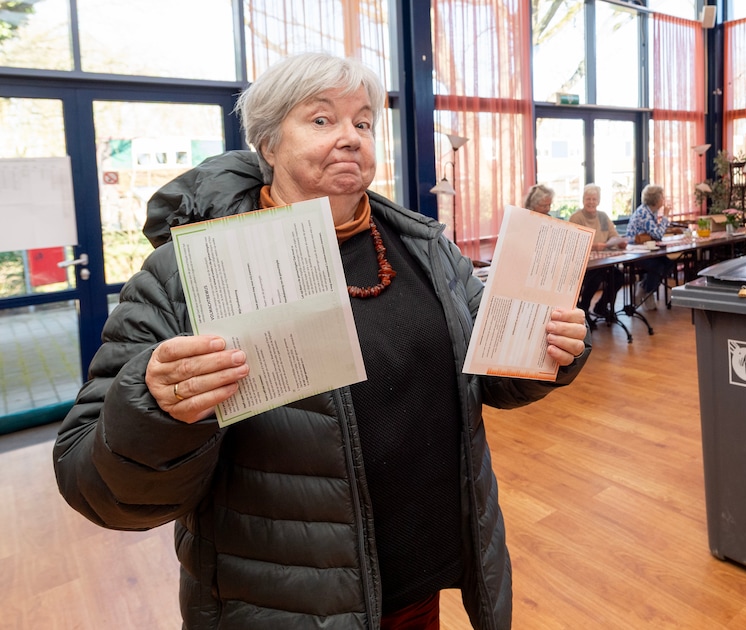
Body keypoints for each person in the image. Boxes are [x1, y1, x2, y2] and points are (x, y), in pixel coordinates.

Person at [52, 52, 590, 629]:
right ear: (268, 143)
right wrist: (155, 407)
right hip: (286, 603)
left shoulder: (424, 248)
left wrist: (548, 349)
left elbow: (487, 378)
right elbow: (91, 477)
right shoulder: (184, 272)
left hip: (418, 577)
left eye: (362, 122)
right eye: (320, 120)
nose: (350, 138)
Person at [570, 183, 625, 317]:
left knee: (618, 277)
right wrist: (593, 246)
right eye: (588, 199)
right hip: (582, 264)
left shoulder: (603, 216)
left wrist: (618, 242)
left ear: (598, 201)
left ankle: (601, 306)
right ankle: (584, 309)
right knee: (596, 276)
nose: (591, 202)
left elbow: (613, 235)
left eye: (594, 199)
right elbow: (573, 242)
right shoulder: (576, 218)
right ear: (583, 200)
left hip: (602, 261)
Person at [624, 184, 677, 310]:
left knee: (669, 263)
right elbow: (658, 235)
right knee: (657, 266)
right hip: (635, 251)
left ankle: (644, 287)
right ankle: (648, 292)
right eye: (662, 198)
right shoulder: (644, 213)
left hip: (647, 249)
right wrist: (665, 217)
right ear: (657, 200)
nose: (663, 200)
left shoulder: (650, 211)